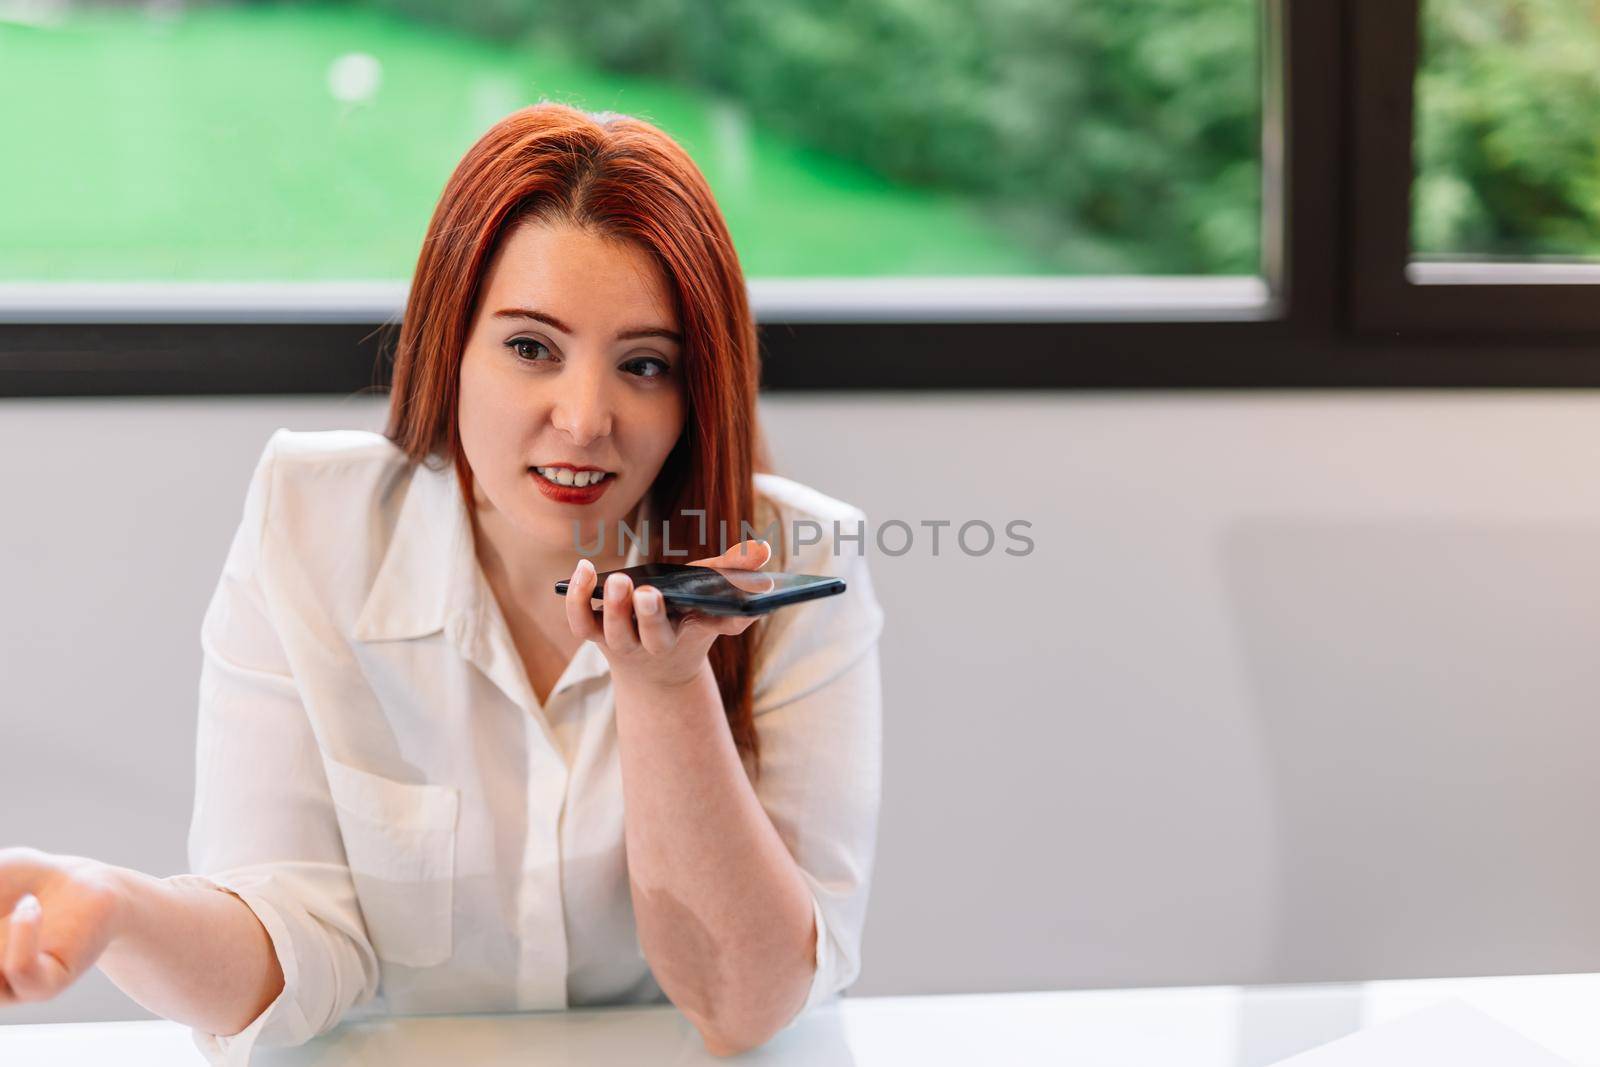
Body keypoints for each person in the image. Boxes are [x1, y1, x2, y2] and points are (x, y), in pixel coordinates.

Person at [0, 103, 885, 1064]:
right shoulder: (311, 521)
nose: (586, 420)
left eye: (644, 364)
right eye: (531, 347)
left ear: (695, 387)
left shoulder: (796, 560)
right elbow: (290, 941)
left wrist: (667, 690)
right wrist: (120, 908)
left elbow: (747, 1005)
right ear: (449, 341)